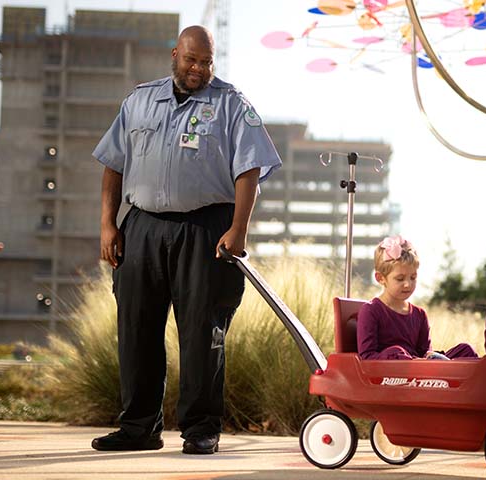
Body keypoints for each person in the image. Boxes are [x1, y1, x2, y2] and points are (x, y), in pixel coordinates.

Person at [90, 25, 281, 455]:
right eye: (192, 59)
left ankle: (200, 429)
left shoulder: (232, 105)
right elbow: (112, 165)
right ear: (175, 54)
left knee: (202, 332)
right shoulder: (139, 100)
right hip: (141, 228)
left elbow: (248, 170)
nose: (199, 69)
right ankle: (139, 427)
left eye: (207, 62)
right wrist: (108, 225)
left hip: (207, 230)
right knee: (136, 328)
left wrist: (238, 229)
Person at [357, 236, 478, 360]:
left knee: (466, 349)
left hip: (421, 372)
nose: (408, 284)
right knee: (396, 351)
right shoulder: (371, 311)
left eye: (413, 277)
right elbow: (367, 357)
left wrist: (430, 358)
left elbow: (425, 353)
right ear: (380, 278)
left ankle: (458, 374)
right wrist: (400, 357)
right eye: (400, 279)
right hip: (392, 374)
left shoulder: (419, 314)